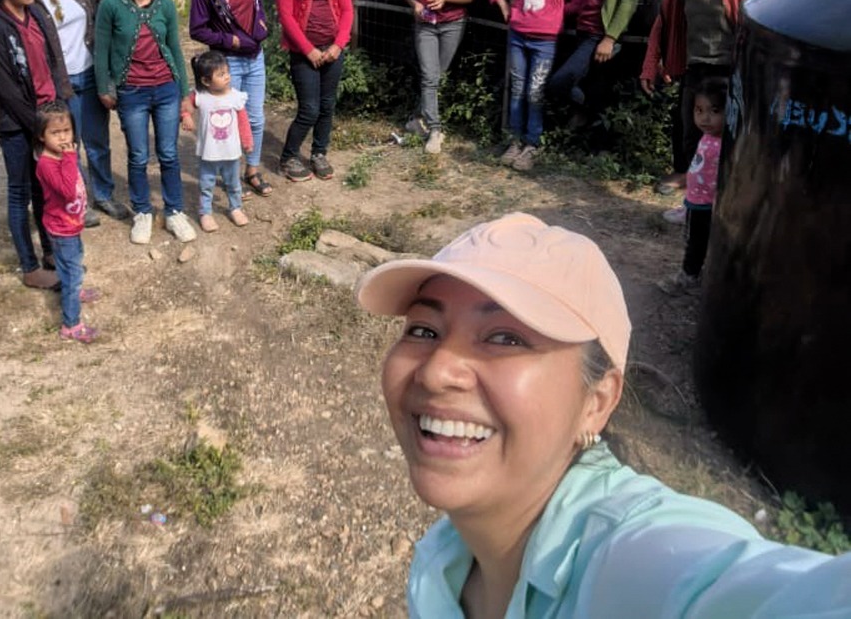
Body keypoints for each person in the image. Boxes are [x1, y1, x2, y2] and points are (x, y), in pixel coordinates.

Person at [356, 212, 851, 618]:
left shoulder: (634, 561)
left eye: (505, 338)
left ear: (596, 402)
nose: (438, 371)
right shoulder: (442, 561)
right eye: (423, 330)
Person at [641, 0, 762, 219]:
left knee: (730, 144)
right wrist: (651, 65)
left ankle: (729, 210)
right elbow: (663, 25)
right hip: (696, 73)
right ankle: (693, 205)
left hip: (730, 77)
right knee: (692, 140)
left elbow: (756, 34)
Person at [22, 0, 131, 226]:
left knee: (98, 141)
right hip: (58, 81)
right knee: (67, 144)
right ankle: (76, 199)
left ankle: (104, 194)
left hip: (89, 71)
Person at [0, 0, 74, 290]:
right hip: (19, 126)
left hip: (45, 118)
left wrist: (57, 112)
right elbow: (7, 89)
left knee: (44, 190)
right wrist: (37, 128)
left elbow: (51, 61)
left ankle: (50, 252)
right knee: (21, 192)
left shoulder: (33, 13)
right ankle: (30, 266)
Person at [94, 0, 196, 246]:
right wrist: (104, 87)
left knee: (168, 153)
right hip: (132, 93)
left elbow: (176, 49)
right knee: (138, 156)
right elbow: (102, 51)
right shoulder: (111, 5)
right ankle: (142, 212)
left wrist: (184, 93)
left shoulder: (164, 4)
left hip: (165, 89)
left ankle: (175, 211)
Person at [484, 0, 583, 172]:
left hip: (546, 42)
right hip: (518, 36)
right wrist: (504, 5)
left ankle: (532, 143)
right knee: (517, 89)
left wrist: (559, 12)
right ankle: (514, 141)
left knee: (535, 92)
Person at [188, 0, 274, 196]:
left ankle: (252, 169)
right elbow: (197, 28)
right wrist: (230, 41)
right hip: (228, 63)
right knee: (229, 120)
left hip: (255, 58)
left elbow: (258, 6)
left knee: (256, 118)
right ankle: (230, 174)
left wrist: (262, 26)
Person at [274, 0, 354, 182]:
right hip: (303, 52)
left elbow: (347, 11)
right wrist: (308, 49)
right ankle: (288, 156)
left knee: (328, 104)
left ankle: (319, 152)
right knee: (309, 108)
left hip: (332, 51)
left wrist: (338, 45)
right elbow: (286, 17)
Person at [402, 0, 477, 154]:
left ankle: (415, 118)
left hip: (452, 23)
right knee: (429, 75)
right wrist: (415, 4)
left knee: (435, 75)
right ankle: (435, 130)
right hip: (425, 25)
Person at [33, 100, 101, 344]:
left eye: (67, 131)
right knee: (72, 272)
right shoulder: (47, 163)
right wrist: (71, 158)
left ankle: (74, 289)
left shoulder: (61, 157)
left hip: (70, 225)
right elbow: (67, 191)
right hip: (62, 229)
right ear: (41, 136)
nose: (62, 138)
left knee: (73, 262)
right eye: (55, 133)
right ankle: (71, 325)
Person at [659, 78, 727, 296]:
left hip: (711, 205)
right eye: (699, 110)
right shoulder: (707, 136)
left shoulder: (726, 143)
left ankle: (689, 277)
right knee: (693, 241)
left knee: (700, 243)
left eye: (714, 111)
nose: (705, 118)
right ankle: (694, 274)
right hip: (696, 202)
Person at [182, 50, 253, 233]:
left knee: (233, 183)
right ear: (206, 81)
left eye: (227, 72)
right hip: (208, 152)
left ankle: (235, 208)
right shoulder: (200, 96)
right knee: (206, 184)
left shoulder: (235, 97)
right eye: (221, 74)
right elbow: (186, 105)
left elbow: (243, 121)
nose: (227, 77)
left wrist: (247, 141)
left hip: (231, 152)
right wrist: (186, 116)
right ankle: (205, 212)